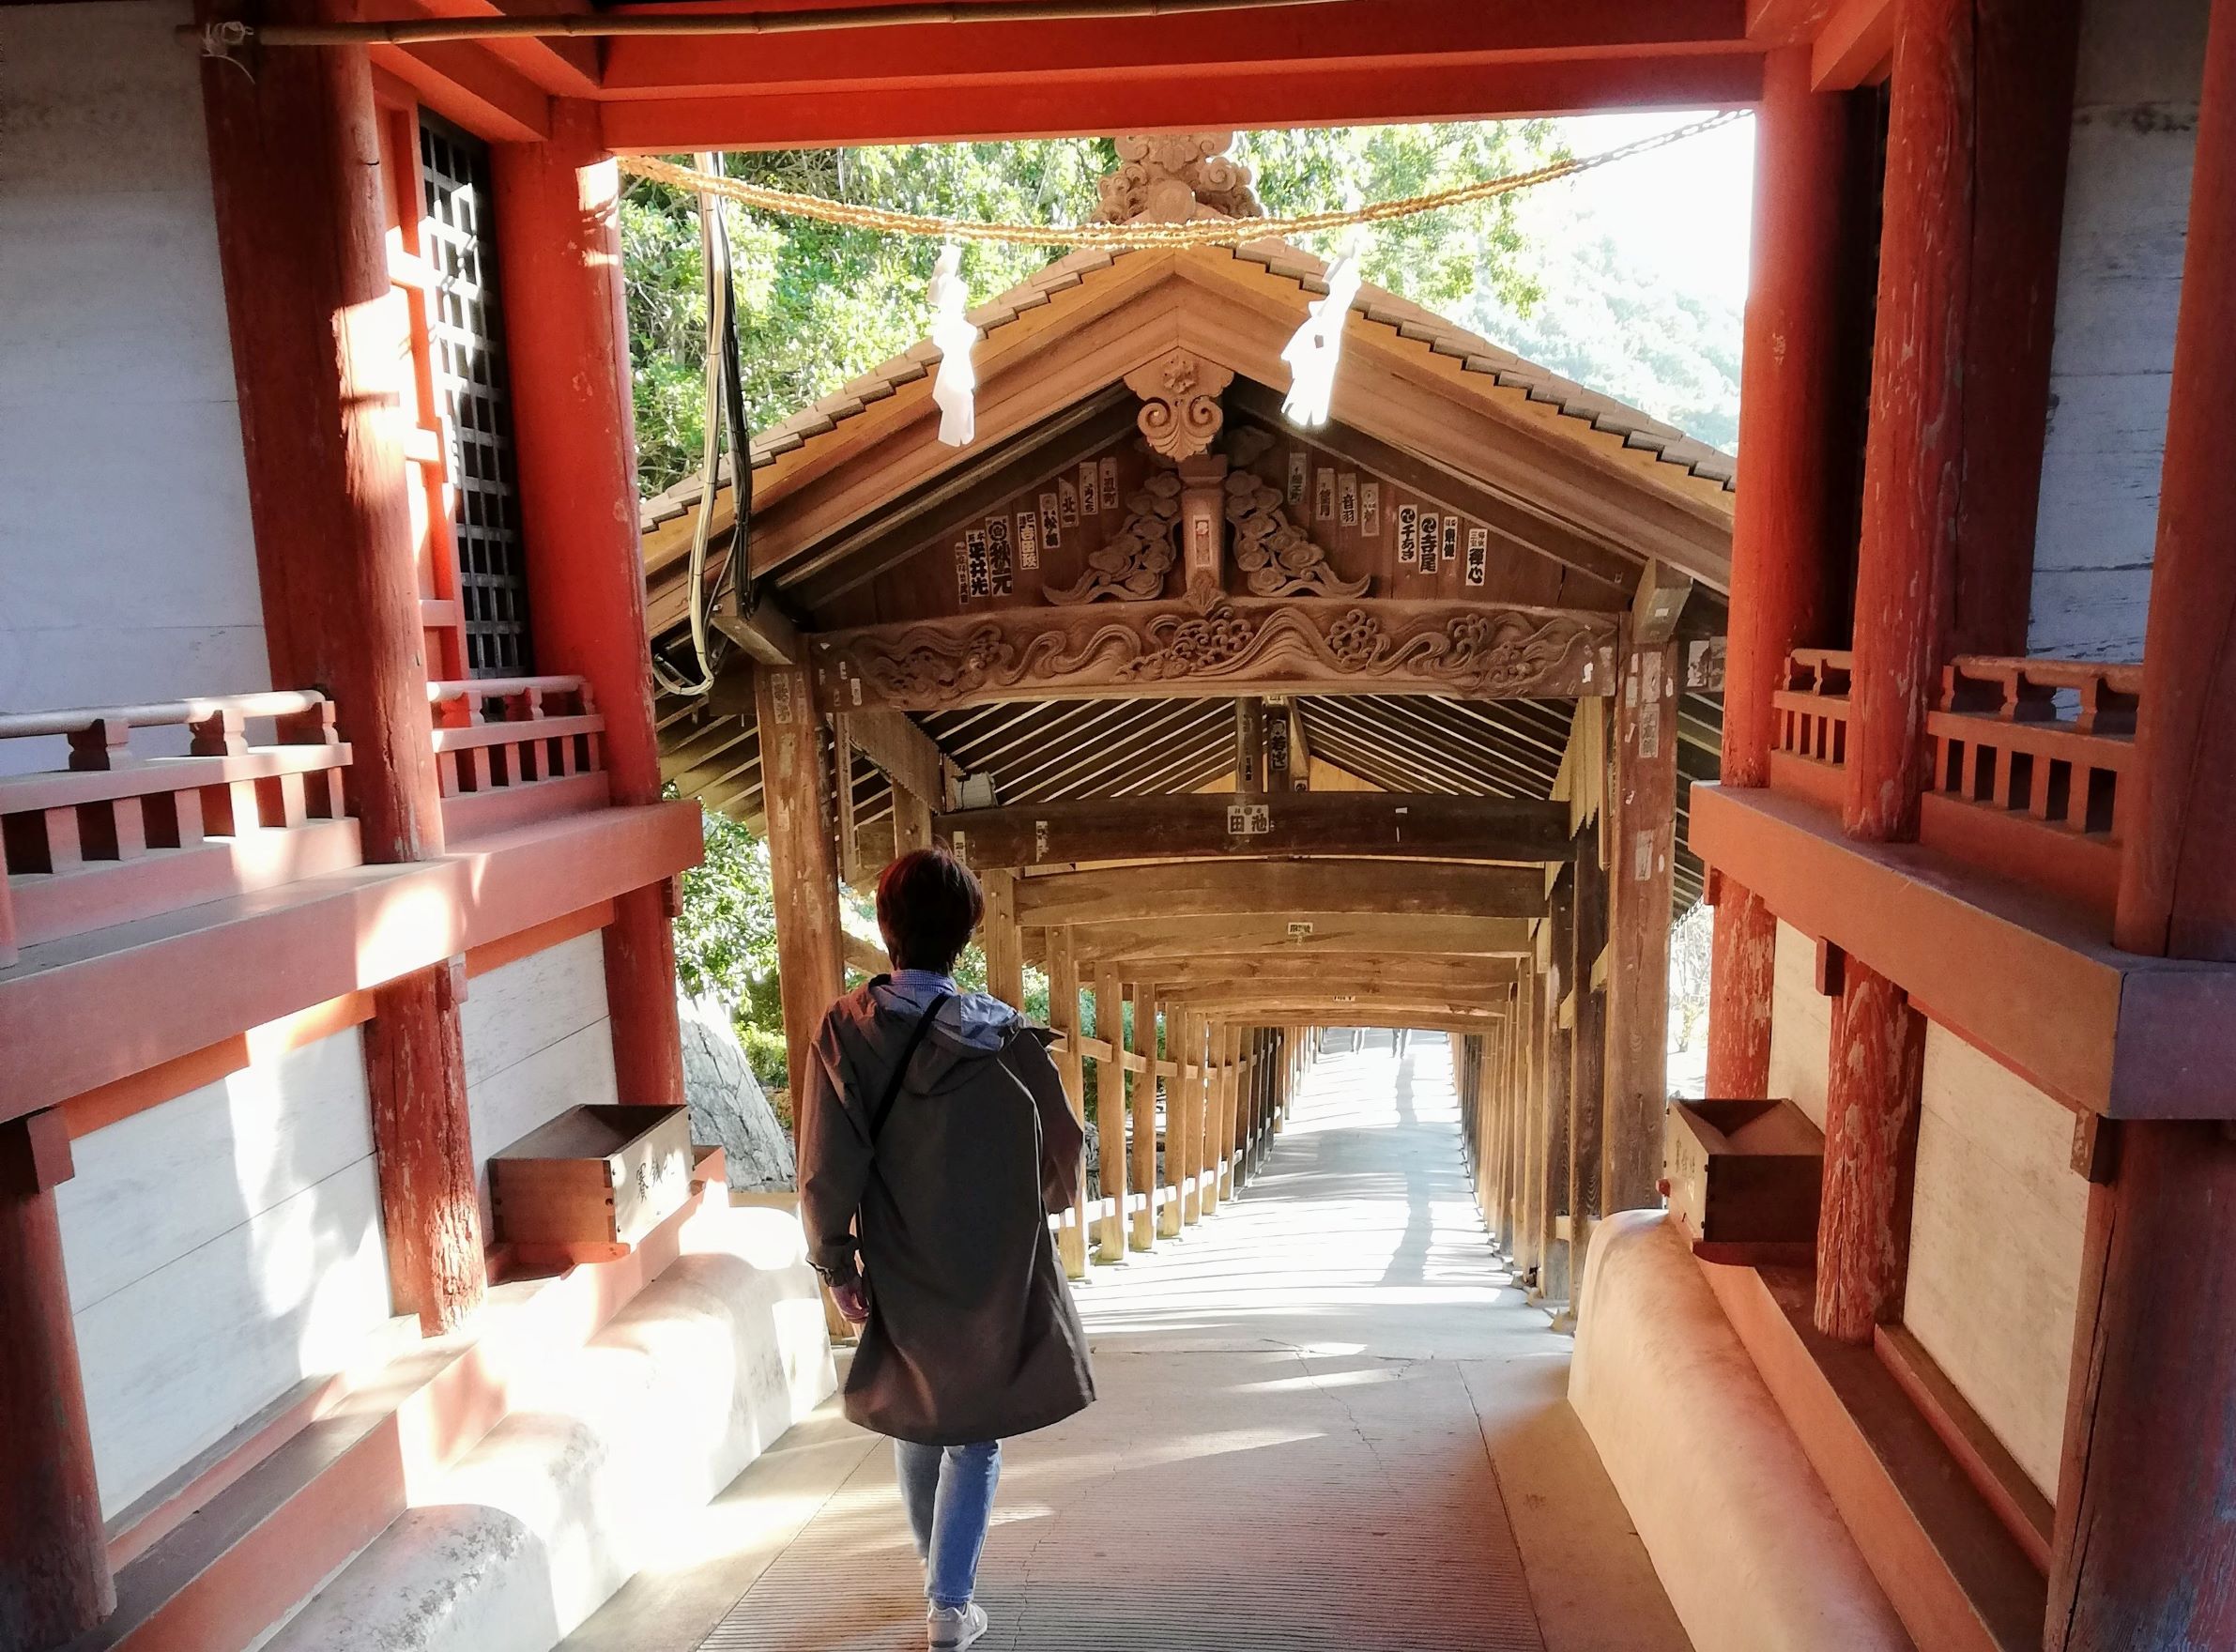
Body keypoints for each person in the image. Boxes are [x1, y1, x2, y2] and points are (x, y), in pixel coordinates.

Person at [798, 847, 1096, 1651]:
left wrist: (837, 1261)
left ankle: (943, 1585)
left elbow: (828, 1164)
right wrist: (1037, 1206)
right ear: (965, 932)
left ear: (886, 927)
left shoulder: (845, 1031)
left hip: (901, 1255)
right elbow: (1064, 1152)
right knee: (974, 1432)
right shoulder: (1004, 1037)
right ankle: (947, 1600)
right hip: (994, 1261)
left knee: (917, 1418)